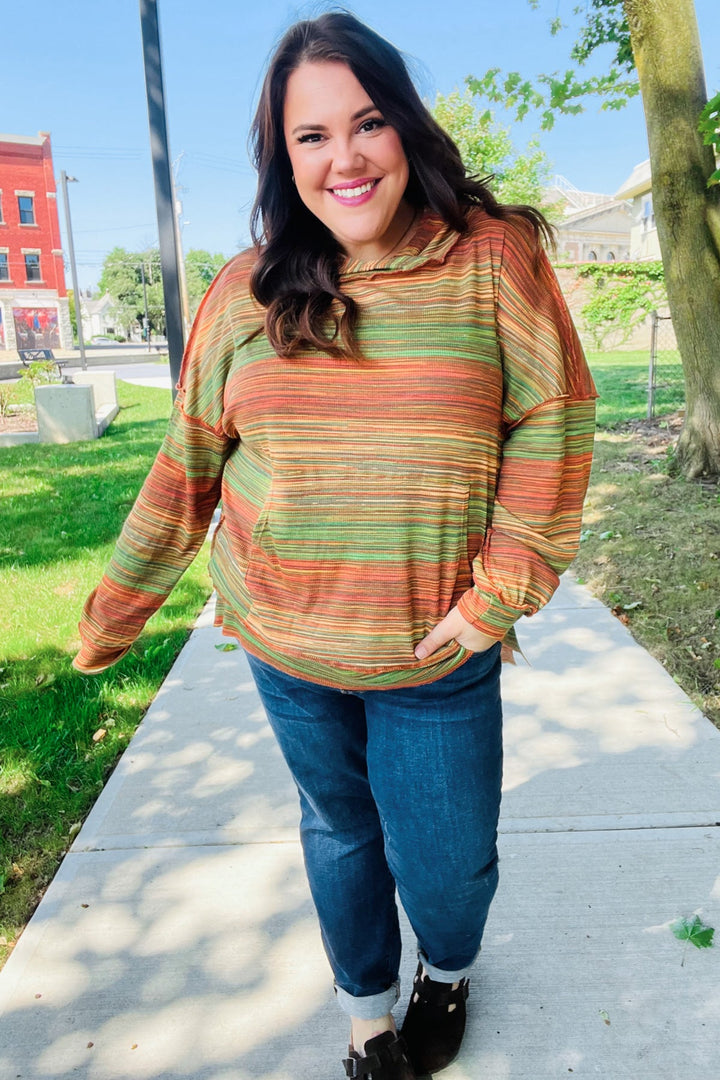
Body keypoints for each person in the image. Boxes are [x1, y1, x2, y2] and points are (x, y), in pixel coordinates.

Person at [73, 11, 596, 1079]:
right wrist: (115, 614)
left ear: (404, 126)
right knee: (340, 829)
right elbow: (187, 463)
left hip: (435, 652)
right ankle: (366, 1016)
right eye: (311, 136)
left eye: (366, 124)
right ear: (284, 156)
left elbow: (555, 416)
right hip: (287, 649)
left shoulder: (492, 259)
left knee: (448, 864)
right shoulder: (245, 290)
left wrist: (500, 594)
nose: (344, 158)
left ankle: (446, 970)